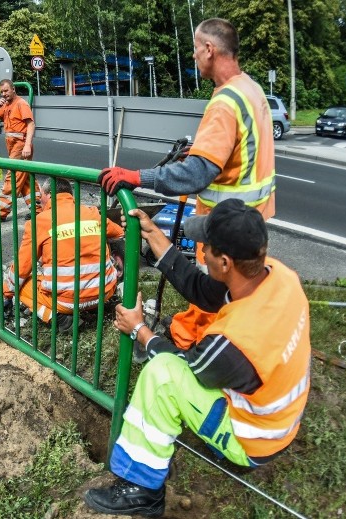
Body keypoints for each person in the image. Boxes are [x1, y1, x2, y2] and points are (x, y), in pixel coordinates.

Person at [84, 198, 310, 517]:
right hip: (281, 417)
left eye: (208, 248)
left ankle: (142, 490)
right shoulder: (280, 277)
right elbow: (206, 291)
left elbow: (183, 365)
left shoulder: (235, 342)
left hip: (254, 440)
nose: (202, 250)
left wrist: (139, 331)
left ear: (226, 263)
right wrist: (157, 240)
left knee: (161, 376)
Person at [97, 18, 276, 350]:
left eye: (195, 48)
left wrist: (138, 177)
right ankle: (208, 340)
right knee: (234, 298)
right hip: (250, 222)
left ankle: (191, 352)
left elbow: (195, 174)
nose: (193, 56)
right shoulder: (249, 88)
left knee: (213, 298)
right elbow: (240, 149)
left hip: (223, 227)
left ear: (209, 49)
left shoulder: (224, 102)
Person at [3, 177, 124, 331]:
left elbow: (22, 268)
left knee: (22, 285)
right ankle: (93, 307)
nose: (40, 203)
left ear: (49, 196)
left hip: (67, 302)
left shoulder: (39, 222)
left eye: (41, 198)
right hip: (103, 293)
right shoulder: (91, 213)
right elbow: (119, 234)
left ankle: (60, 319)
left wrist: (6, 292)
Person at [0, 79, 41, 221]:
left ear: (13, 89)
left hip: (20, 145)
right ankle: (38, 209)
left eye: (6, 90)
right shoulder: (5, 105)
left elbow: (31, 125)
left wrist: (27, 145)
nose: (4, 94)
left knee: (12, 177)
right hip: (12, 146)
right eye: (2, 92)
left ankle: (1, 212)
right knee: (25, 179)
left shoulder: (21, 103)